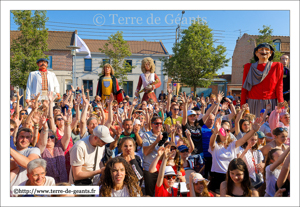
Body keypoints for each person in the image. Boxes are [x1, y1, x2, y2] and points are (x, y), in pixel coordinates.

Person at [208, 117, 264, 194]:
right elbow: (211, 142)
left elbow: (244, 139)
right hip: (217, 178)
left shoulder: (233, 144)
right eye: (223, 130)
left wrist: (253, 130)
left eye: (228, 130)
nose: (226, 132)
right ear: (219, 132)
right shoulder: (216, 146)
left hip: (232, 177)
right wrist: (215, 132)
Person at [241, 43, 284, 117]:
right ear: (256, 53)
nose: (264, 51)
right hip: (253, 103)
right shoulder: (248, 67)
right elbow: (244, 88)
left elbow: (279, 87)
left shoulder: (277, 66)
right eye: (261, 49)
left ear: (270, 53)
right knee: (253, 126)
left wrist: (282, 107)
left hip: (270, 103)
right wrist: (242, 106)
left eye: (267, 50)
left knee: (270, 126)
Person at [36, 107, 72, 183]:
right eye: (47, 137)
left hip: (63, 182)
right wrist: (45, 127)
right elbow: (42, 142)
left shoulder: (59, 146)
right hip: (49, 184)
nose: (49, 139)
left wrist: (67, 123)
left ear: (55, 138)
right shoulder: (41, 149)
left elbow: (67, 136)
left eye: (52, 137)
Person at [142, 116, 163, 196]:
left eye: (160, 123)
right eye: (156, 123)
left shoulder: (164, 136)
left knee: (160, 194)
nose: (159, 125)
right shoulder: (146, 135)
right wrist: (156, 141)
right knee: (150, 195)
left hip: (161, 169)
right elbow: (146, 152)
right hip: (149, 170)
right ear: (152, 124)